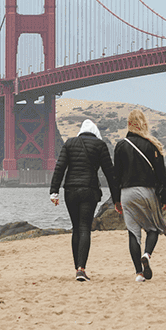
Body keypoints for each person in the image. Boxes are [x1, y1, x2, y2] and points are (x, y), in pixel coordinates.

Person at [109, 108, 166, 280]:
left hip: (127, 193)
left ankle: (139, 273)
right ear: (144, 123)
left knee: (133, 233)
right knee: (153, 228)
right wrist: (165, 197)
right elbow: (161, 174)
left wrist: (116, 199)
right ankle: (147, 254)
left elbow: (116, 175)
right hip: (147, 192)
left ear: (129, 124)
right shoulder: (152, 145)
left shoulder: (121, 145)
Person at [48, 118, 116, 280]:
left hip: (70, 190)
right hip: (89, 190)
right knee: (85, 227)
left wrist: (54, 192)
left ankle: (76, 268)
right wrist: (117, 198)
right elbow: (110, 173)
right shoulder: (100, 145)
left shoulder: (70, 143)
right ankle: (81, 268)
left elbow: (60, 167)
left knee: (76, 228)